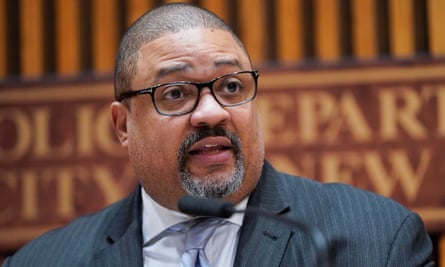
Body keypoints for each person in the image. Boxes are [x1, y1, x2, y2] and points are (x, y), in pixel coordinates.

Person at [3, 3, 433, 267]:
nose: (211, 112)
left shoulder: (376, 241)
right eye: (174, 93)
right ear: (122, 126)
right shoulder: (42, 263)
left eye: (231, 87)